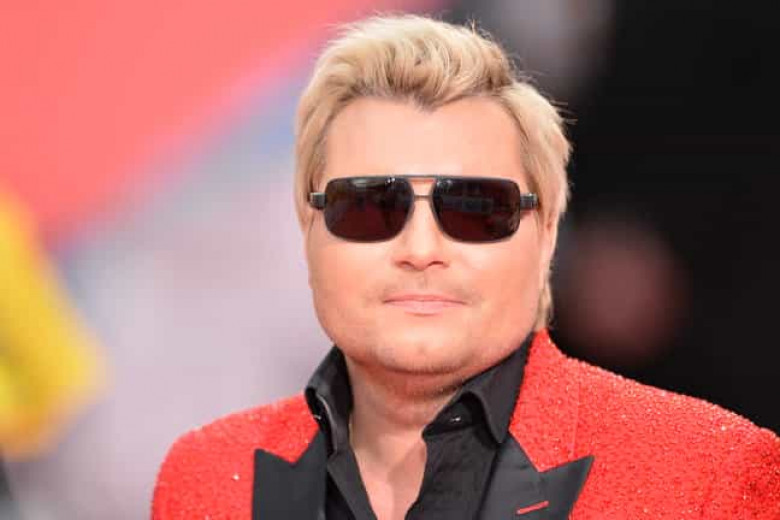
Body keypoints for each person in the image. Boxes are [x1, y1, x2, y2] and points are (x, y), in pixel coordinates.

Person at [151, 15, 780, 519]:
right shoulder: (206, 478)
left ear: (547, 232)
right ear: (307, 223)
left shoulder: (713, 475)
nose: (420, 246)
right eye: (369, 206)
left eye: (476, 208)